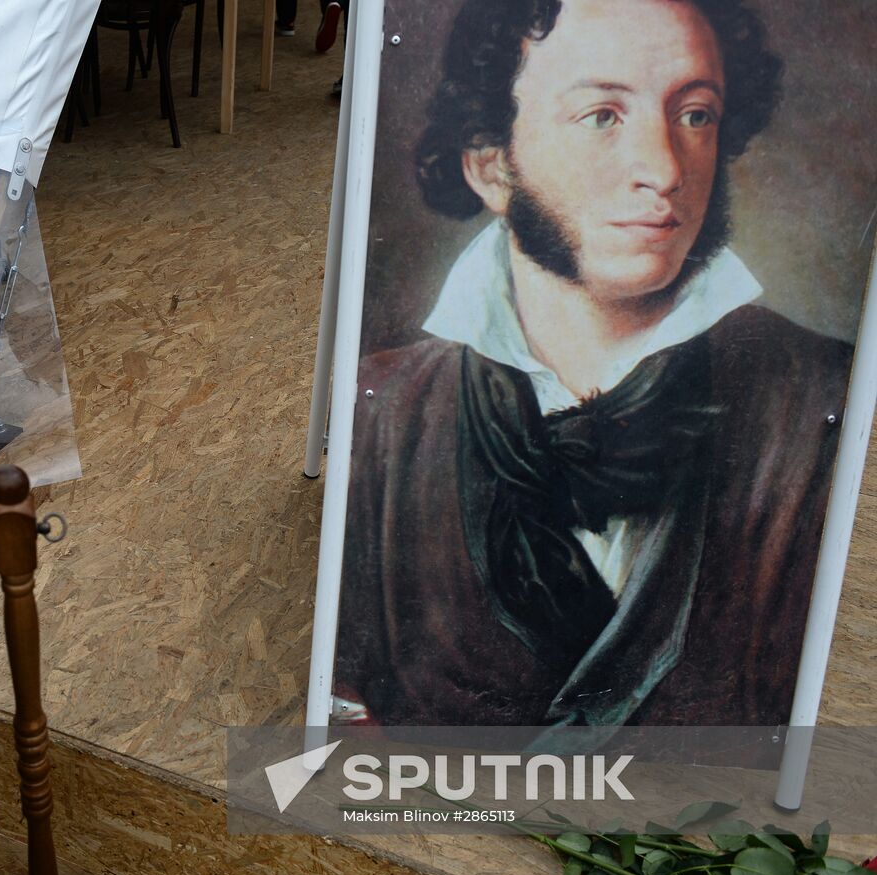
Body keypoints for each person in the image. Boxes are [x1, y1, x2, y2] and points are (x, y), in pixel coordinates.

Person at [334, 0, 853, 730]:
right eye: (602, 115)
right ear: (492, 166)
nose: (664, 169)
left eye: (696, 114)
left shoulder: (830, 403)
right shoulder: (378, 413)